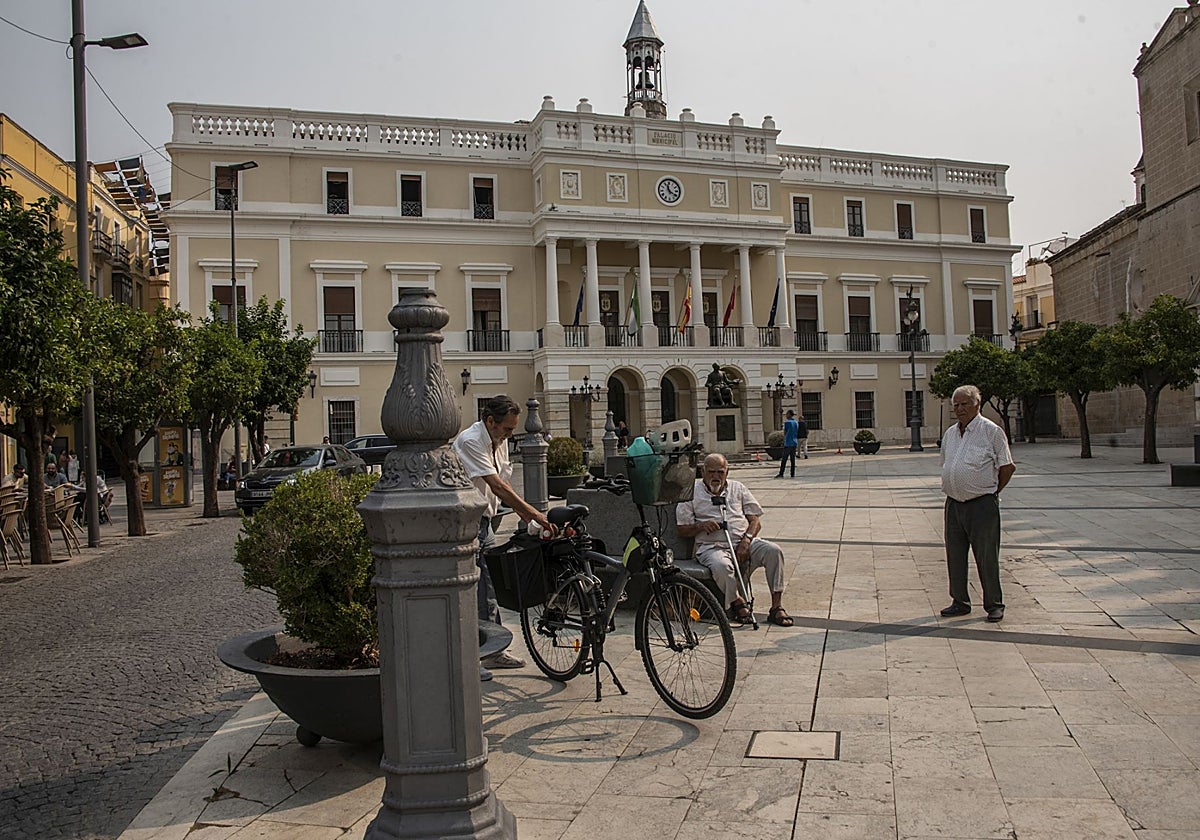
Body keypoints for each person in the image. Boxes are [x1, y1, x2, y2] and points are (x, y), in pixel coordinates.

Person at [453, 395, 558, 679]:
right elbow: (496, 485)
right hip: (464, 522)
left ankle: (493, 651)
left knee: (488, 586)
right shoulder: (471, 441)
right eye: (508, 429)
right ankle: (474, 656)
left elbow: (505, 481)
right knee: (475, 590)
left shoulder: (498, 442)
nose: (511, 434)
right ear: (490, 421)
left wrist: (524, 515)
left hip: (483, 521)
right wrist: (535, 514)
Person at [676, 453, 793, 627]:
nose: (716, 477)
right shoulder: (691, 491)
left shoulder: (738, 488)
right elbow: (681, 529)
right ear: (703, 471)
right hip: (711, 547)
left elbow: (755, 521)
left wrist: (746, 541)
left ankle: (776, 607)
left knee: (773, 551)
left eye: (720, 472)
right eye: (711, 472)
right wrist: (701, 526)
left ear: (727, 472)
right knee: (721, 567)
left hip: (743, 542)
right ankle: (737, 602)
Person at [940, 384, 1016, 623]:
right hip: (954, 504)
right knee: (955, 554)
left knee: (986, 556)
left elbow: (1007, 466)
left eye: (965, 404)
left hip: (981, 504)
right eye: (956, 405)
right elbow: (946, 462)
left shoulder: (991, 431)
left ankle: (994, 604)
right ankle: (959, 601)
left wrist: (990, 491)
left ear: (977, 405)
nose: (960, 409)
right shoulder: (951, 433)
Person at [777, 410, 799, 478]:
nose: (786, 415)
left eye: (786, 414)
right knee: (793, 460)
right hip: (794, 442)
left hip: (788, 443)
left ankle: (781, 473)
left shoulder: (787, 423)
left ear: (789, 414)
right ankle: (792, 473)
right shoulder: (796, 423)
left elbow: (785, 432)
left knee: (784, 459)